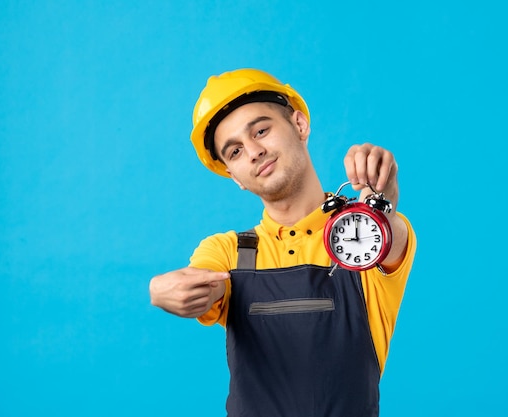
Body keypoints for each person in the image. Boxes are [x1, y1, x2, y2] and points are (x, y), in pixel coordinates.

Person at [149, 68, 417, 417]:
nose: (254, 152)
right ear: (235, 177)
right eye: (235, 152)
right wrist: (162, 289)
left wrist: (380, 202)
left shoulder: (363, 237)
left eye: (261, 130)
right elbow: (202, 283)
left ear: (300, 125)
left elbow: (389, 237)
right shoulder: (228, 252)